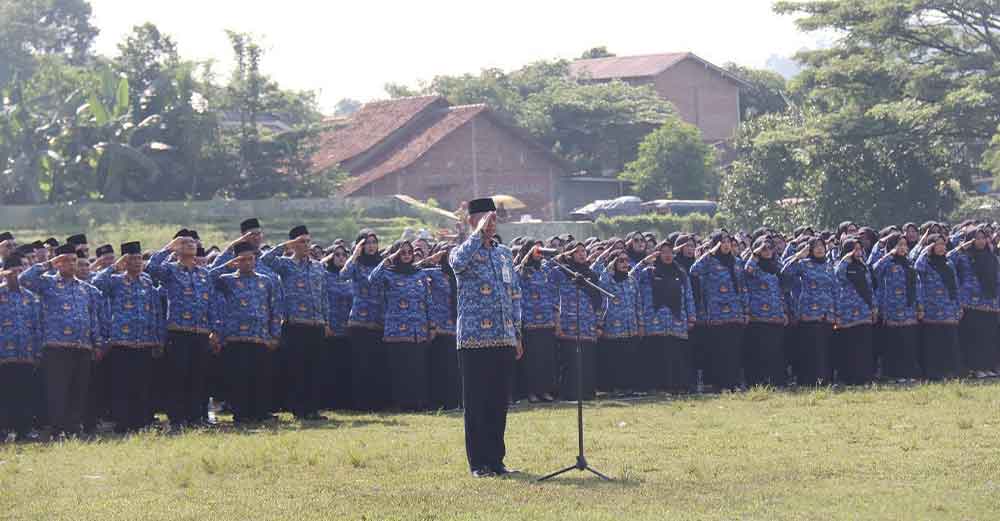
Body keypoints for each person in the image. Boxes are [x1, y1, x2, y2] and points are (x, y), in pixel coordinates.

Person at [449, 198, 523, 478]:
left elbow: (514, 293)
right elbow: (457, 263)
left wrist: (517, 332)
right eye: (486, 220)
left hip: (503, 337)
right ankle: (478, 463)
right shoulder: (461, 251)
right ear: (473, 221)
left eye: (494, 220)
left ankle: (496, 460)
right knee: (477, 402)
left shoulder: (504, 253)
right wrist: (477, 233)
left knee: (498, 402)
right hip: (474, 338)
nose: (492, 225)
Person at [19, 244, 107, 438]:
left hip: (83, 346)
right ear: (58, 263)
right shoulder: (47, 283)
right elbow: (23, 279)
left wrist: (98, 343)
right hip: (56, 346)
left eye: (74, 260)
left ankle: (74, 428)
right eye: (66, 260)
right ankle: (57, 429)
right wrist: (48, 264)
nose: (71, 264)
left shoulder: (87, 289)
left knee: (79, 389)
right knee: (58, 389)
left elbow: (93, 317)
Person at [145, 231, 219, 428]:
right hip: (178, 331)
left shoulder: (204, 273)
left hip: (201, 332)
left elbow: (211, 302)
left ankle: (196, 417)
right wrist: (168, 247)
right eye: (184, 243)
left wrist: (215, 330)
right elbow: (150, 268)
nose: (190, 245)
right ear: (177, 248)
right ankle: (177, 418)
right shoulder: (170, 270)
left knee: (198, 376)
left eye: (192, 242)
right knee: (178, 376)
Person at [260, 225, 330, 421]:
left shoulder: (318, 266)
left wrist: (327, 321)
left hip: (316, 323)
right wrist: (286, 245)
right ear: (293, 244)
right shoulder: (286, 265)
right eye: (301, 241)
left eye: (308, 241)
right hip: (295, 324)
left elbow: (323, 295)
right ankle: (299, 409)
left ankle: (313, 408)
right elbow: (265, 260)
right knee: (297, 368)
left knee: (315, 368)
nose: (306, 245)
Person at [91, 241, 163, 432]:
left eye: (139, 259)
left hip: (145, 341)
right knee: (123, 385)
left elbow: (155, 311)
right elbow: (96, 284)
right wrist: (115, 266)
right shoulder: (115, 280)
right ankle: (124, 423)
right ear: (125, 261)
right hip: (122, 342)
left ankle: (142, 422)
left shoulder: (147, 281)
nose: (138, 262)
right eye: (132, 259)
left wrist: (158, 339)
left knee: (143, 384)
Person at [211, 242, 282, 424]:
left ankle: (261, 412)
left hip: (260, 337)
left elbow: (274, 309)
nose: (248, 263)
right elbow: (208, 276)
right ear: (236, 261)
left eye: (251, 259)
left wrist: (275, 335)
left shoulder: (265, 280)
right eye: (243, 260)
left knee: (261, 377)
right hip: (235, 337)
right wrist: (228, 261)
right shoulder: (226, 280)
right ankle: (241, 414)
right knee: (239, 378)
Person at [369, 240, 435, 411]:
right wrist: (389, 259)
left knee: (418, 368)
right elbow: (372, 279)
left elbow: (429, 300)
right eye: (402, 252)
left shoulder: (419, 274)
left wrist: (432, 325)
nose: (406, 255)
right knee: (400, 368)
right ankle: (401, 404)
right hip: (396, 330)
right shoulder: (388, 274)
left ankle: (418, 403)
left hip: (418, 330)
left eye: (409, 252)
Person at [689, 231, 747, 391]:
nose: (726, 244)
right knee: (719, 350)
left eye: (728, 241)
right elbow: (694, 270)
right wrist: (710, 252)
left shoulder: (736, 262)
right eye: (722, 241)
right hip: (716, 313)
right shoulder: (709, 261)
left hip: (735, 312)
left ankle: (734, 383)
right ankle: (720, 384)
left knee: (734, 350)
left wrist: (745, 310)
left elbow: (742, 287)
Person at [341, 229, 387, 411]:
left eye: (374, 242)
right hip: (359, 320)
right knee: (361, 363)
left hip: (379, 319)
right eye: (367, 243)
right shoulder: (356, 264)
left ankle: (377, 403)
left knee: (377, 363)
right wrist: (354, 255)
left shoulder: (382, 264)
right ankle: (360, 403)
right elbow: (343, 275)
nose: (371, 246)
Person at [551, 241, 603, 401]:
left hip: (588, 325)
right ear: (569, 254)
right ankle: (569, 393)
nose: (582, 254)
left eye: (584, 251)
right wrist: (557, 322)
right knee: (571, 361)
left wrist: (599, 324)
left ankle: (587, 393)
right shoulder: (560, 272)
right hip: (568, 325)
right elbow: (553, 296)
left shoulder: (591, 275)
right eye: (577, 251)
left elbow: (599, 301)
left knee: (587, 361)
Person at [781, 237, 836, 386]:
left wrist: (836, 312)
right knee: (810, 348)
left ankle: (825, 380)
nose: (819, 249)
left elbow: (834, 289)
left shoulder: (829, 266)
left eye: (822, 246)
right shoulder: (804, 264)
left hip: (827, 313)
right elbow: (785, 272)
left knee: (825, 348)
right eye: (816, 246)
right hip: (809, 313)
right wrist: (798, 256)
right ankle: (808, 381)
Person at [948, 228, 1000, 378]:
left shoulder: (992, 257)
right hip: (970, 303)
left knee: (989, 337)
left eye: (983, 238)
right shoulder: (963, 257)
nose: (981, 241)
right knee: (974, 337)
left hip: (990, 304)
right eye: (977, 238)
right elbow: (948, 258)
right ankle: (975, 368)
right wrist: (962, 247)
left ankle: (988, 366)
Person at [0, 252, 42, 440]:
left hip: (26, 353)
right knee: (4, 393)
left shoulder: (31, 297)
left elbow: (36, 326)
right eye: (13, 271)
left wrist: (38, 351)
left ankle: (24, 429)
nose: (17, 275)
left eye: (20, 271)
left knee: (25, 392)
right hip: (3, 355)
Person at [872, 233, 923, 382]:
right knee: (895, 343)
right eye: (898, 245)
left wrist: (919, 306)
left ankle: (909, 373)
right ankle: (895, 374)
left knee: (908, 342)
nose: (902, 248)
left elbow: (917, 285)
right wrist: (889, 254)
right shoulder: (887, 263)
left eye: (904, 245)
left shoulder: (909, 263)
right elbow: (875, 270)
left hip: (909, 308)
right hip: (892, 309)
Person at [592, 248, 642, 394]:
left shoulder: (632, 280)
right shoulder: (607, 280)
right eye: (620, 261)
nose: (625, 264)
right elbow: (602, 299)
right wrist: (599, 324)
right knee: (614, 359)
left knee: (630, 359)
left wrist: (641, 324)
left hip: (630, 326)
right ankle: (614, 388)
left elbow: (638, 302)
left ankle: (629, 387)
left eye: (626, 260)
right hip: (612, 328)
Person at [914, 234, 963, 379]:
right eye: (937, 244)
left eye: (943, 244)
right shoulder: (926, 263)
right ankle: (934, 373)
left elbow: (955, 286)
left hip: (948, 309)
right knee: (933, 344)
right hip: (932, 310)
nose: (941, 247)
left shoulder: (949, 263)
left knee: (949, 342)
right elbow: (917, 266)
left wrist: (958, 306)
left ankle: (950, 372)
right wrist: (926, 250)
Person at [743, 236, 788, 387]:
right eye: (764, 248)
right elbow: (747, 270)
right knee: (759, 351)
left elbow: (781, 291)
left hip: (776, 315)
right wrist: (755, 254)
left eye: (770, 248)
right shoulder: (754, 267)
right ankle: (758, 383)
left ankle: (776, 382)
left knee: (775, 351)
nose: (767, 251)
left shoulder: (776, 266)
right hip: (759, 316)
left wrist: (784, 312)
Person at [515, 241, 558, 403]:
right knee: (531, 359)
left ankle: (544, 390)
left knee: (546, 358)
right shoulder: (521, 271)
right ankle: (531, 391)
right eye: (536, 250)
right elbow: (516, 276)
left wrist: (556, 317)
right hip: (529, 320)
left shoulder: (545, 270)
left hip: (547, 320)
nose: (539, 254)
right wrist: (527, 257)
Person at [423, 245, 463, 409]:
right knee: (440, 365)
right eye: (445, 253)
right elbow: (414, 269)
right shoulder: (434, 272)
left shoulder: (459, 273)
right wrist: (432, 259)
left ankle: (455, 401)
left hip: (457, 325)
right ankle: (440, 402)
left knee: (455, 367)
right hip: (439, 326)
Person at [832, 237, 876, 385]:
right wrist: (846, 259)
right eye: (854, 249)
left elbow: (869, 288)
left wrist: (873, 307)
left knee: (864, 345)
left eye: (859, 249)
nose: (857, 252)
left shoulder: (863, 266)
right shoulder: (842, 266)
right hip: (847, 311)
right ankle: (848, 377)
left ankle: (864, 377)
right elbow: (837, 275)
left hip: (864, 309)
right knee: (849, 345)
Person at [320, 244, 354, 410]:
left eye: (344, 254)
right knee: (328, 365)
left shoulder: (349, 277)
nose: (341, 257)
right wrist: (325, 323)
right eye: (337, 255)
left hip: (347, 327)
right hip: (329, 327)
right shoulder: (323, 276)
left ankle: (344, 401)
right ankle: (328, 401)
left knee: (345, 365)